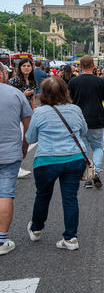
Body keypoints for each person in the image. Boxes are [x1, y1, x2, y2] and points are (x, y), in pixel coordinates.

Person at [25, 77, 87, 251]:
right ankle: (70, 238)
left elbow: (30, 138)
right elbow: (84, 131)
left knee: (43, 196)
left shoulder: (40, 112)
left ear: (44, 93)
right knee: (70, 198)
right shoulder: (75, 109)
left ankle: (36, 229)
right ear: (65, 91)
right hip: (74, 159)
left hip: (47, 160)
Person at [0, 62, 32, 255]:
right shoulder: (15, 94)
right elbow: (28, 125)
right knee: (5, 194)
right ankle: (2, 240)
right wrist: (25, 145)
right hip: (10, 152)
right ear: (2, 75)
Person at [67, 55, 104, 189]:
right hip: (96, 118)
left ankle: (87, 175)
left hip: (79, 119)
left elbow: (69, 101)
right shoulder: (100, 81)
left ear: (79, 66)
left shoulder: (73, 82)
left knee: (84, 148)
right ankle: (96, 171)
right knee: (98, 146)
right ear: (93, 65)